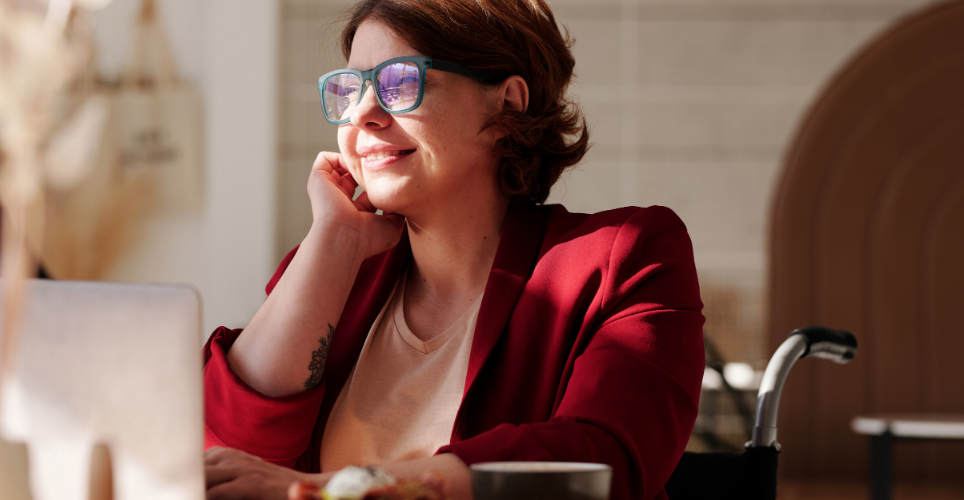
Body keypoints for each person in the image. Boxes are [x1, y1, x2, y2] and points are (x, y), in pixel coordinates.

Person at [202, 0, 705, 499]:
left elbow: (599, 463)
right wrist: (332, 240)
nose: (364, 115)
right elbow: (225, 461)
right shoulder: (331, 270)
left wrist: (331, 490)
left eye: (400, 83)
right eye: (351, 89)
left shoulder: (626, 257)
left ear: (507, 104)